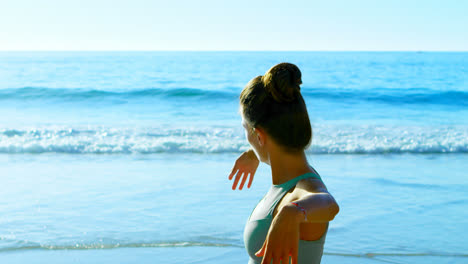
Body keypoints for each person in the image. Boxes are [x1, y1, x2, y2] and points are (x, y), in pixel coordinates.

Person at [228, 63, 339, 264]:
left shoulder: (301, 192)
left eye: (245, 128)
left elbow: (328, 203)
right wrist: (254, 153)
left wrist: (293, 212)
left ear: (259, 135)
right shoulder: (291, 177)